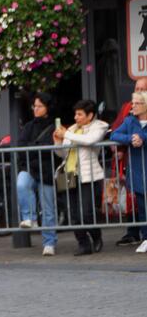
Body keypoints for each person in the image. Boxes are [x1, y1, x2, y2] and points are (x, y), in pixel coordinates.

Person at [55, 99, 108, 256]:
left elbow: (90, 141)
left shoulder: (99, 126)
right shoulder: (71, 129)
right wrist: (57, 142)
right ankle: (83, 244)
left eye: (79, 114)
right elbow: (62, 154)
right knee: (73, 214)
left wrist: (67, 134)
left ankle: (96, 237)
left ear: (90, 115)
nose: (76, 117)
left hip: (88, 175)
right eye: (75, 114)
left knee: (86, 213)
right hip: (68, 174)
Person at [16, 92, 60, 256]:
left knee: (48, 207)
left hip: (47, 170)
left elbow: (51, 148)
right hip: (31, 167)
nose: (36, 109)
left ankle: (49, 242)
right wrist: (36, 149)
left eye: (39, 106)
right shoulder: (29, 126)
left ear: (47, 108)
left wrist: (33, 148)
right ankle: (30, 217)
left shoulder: (55, 126)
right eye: (34, 106)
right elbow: (21, 147)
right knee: (22, 183)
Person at [110, 90, 147, 252]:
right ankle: (146, 238)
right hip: (138, 171)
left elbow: (143, 137)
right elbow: (114, 135)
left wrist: (143, 138)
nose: (133, 106)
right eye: (133, 103)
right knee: (143, 206)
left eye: (137, 103)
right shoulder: (130, 120)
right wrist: (131, 139)